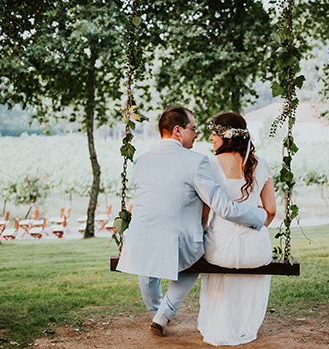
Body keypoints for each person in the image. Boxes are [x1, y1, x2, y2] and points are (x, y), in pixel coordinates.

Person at [116, 106, 268, 337]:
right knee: (197, 255)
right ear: (178, 131)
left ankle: (157, 312)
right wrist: (260, 216)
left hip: (141, 240)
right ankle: (163, 313)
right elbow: (223, 207)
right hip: (182, 242)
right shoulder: (196, 162)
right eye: (193, 129)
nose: (197, 135)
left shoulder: (141, 161)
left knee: (148, 269)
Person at [197, 112, 277, 346]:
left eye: (215, 132)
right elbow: (270, 211)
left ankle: (221, 325)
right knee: (247, 274)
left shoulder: (209, 164)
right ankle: (243, 327)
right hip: (256, 249)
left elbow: (204, 215)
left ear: (228, 136)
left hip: (219, 248)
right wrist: (253, 227)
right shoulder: (260, 164)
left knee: (221, 267)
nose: (210, 137)